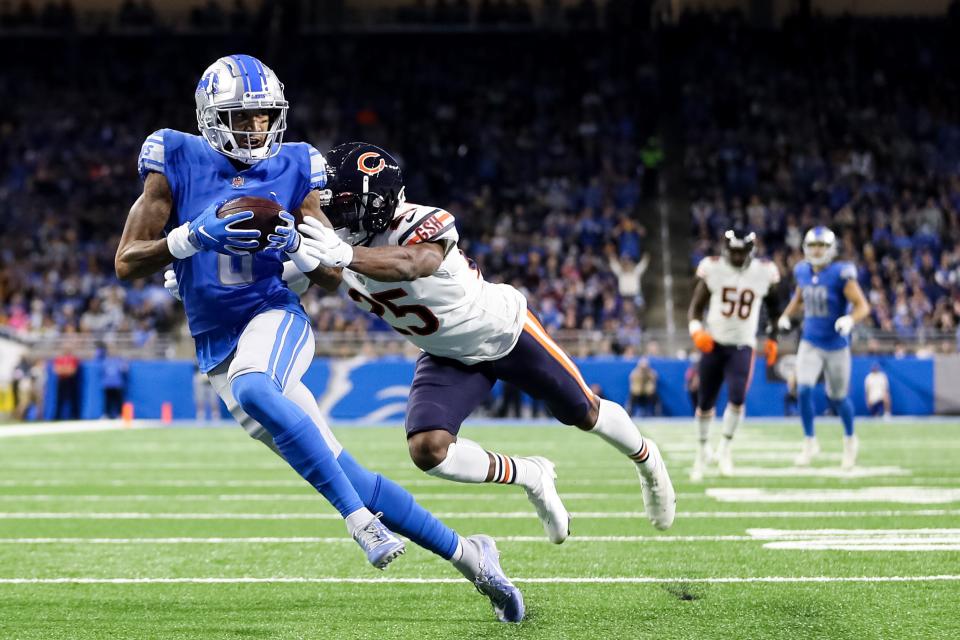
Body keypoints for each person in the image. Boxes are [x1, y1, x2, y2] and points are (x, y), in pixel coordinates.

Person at [117, 56, 523, 622]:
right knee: (355, 478)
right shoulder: (173, 156)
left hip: (273, 317)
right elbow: (126, 260)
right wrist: (187, 240)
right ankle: (472, 557)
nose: (257, 128)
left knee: (257, 385)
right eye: (243, 116)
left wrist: (295, 248)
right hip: (216, 344)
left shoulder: (296, 165)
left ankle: (359, 525)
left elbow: (332, 273)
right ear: (210, 116)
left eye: (264, 117)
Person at [262, 142, 675, 537]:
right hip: (445, 354)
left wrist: (343, 253)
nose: (336, 206)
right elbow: (314, 276)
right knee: (428, 450)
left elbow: (413, 263)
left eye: (346, 200)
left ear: (376, 204)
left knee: (584, 412)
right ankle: (531, 474)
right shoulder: (338, 240)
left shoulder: (417, 221)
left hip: (504, 331)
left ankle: (646, 459)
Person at [687, 228, 780, 479]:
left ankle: (725, 449)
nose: (738, 257)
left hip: (742, 345)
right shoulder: (713, 268)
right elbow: (695, 308)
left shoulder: (764, 273)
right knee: (705, 401)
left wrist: (773, 338)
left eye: (742, 252)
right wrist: (697, 331)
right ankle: (702, 450)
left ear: (750, 251)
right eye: (734, 252)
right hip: (713, 343)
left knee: (737, 398)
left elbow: (775, 309)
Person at [778, 226, 871, 470]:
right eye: (813, 246)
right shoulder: (802, 271)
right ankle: (810, 441)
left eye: (822, 246)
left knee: (837, 398)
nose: (817, 251)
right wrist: (787, 316)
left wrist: (850, 320)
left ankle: (850, 440)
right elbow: (799, 299)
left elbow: (862, 306)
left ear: (831, 249)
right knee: (803, 388)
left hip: (836, 345)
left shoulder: (840, 273)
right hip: (810, 341)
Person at [98, 345, 128, 419]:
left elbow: (125, 369)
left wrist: (124, 361)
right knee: (107, 401)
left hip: (117, 384)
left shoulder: (119, 360)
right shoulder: (105, 361)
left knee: (119, 400)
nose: (112, 353)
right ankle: (106, 414)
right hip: (108, 384)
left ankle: (120, 414)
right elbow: (101, 371)